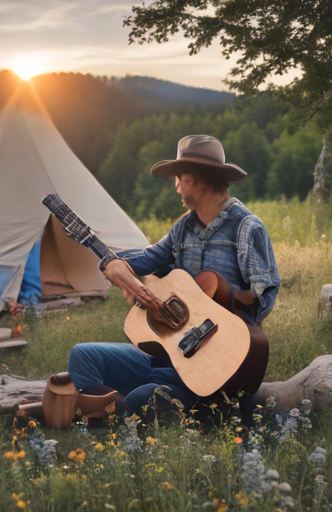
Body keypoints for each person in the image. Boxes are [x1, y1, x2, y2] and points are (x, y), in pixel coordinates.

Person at [66, 134, 281, 419]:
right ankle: (122, 408)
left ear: (199, 179)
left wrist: (216, 303)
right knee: (82, 356)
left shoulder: (246, 228)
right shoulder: (182, 229)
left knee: (143, 398)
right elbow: (144, 261)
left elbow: (264, 298)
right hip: (167, 355)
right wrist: (111, 264)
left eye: (180, 178)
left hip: (210, 363)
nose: (176, 186)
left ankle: (131, 407)